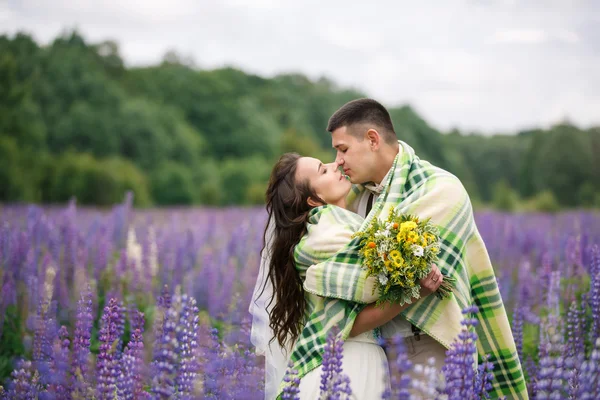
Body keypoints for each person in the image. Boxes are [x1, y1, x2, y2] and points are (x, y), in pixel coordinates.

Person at [300, 98, 528, 399]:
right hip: (378, 353)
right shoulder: (355, 199)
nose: (338, 160)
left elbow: (390, 275)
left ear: (372, 139)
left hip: (430, 347)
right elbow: (353, 275)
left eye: (342, 149)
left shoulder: (440, 189)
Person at [250, 152, 444, 399]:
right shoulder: (324, 236)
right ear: (313, 199)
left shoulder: (343, 225)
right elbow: (352, 324)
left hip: (355, 361)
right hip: (347, 365)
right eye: (323, 170)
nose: (336, 164)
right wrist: (414, 291)